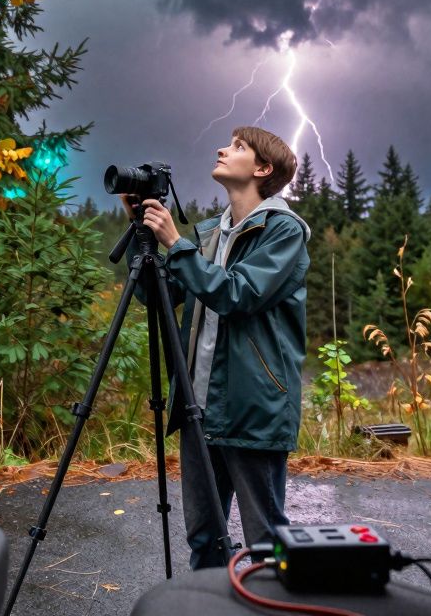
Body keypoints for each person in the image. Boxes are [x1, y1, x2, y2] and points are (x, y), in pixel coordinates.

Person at [125, 125, 310, 570]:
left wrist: (176, 243)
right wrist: (139, 230)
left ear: (262, 169)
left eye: (238, 147)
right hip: (198, 407)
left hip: (253, 406)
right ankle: (206, 599)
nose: (222, 149)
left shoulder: (283, 232)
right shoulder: (209, 235)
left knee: (266, 537)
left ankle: (274, 601)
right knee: (204, 537)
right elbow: (157, 294)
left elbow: (237, 294)